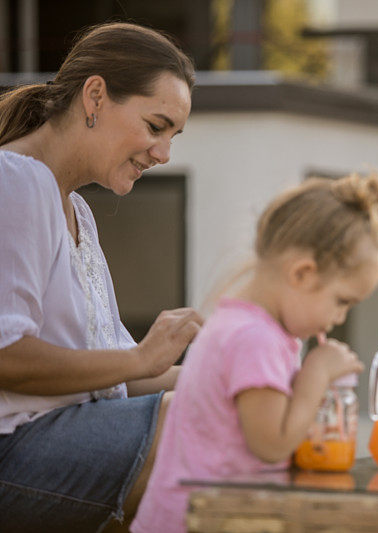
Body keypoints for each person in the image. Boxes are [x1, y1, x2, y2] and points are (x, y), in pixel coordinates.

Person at [0, 23, 203, 532]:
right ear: (95, 97)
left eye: (172, 136)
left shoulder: (77, 212)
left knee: (223, 409)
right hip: (16, 449)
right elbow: (5, 354)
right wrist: (140, 356)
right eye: (156, 126)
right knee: (200, 428)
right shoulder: (16, 182)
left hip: (65, 436)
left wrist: (230, 376)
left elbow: (116, 372)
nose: (163, 154)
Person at [131, 173, 378, 533]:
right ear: (303, 273)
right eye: (342, 301)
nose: (339, 318)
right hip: (199, 520)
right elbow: (271, 443)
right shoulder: (254, 339)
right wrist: (315, 374)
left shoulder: (248, 326)